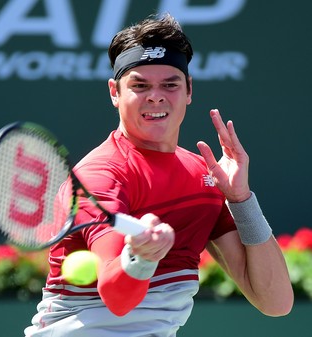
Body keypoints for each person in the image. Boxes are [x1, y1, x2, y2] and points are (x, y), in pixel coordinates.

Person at [24, 13, 293, 337]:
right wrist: (140, 258)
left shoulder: (204, 177)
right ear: (114, 92)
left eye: (170, 84)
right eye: (139, 85)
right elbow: (118, 300)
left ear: (189, 90)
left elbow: (276, 302)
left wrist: (240, 200)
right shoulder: (99, 177)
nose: (156, 95)